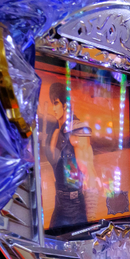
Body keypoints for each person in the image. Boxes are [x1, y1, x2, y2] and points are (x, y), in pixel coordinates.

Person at [44, 82, 87, 230]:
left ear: (65, 106)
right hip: (60, 202)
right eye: (52, 103)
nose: (53, 108)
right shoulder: (54, 131)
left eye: (56, 103)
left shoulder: (76, 130)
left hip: (73, 204)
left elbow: (83, 169)